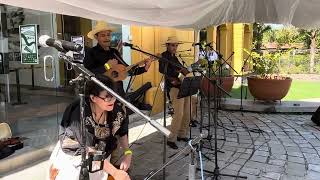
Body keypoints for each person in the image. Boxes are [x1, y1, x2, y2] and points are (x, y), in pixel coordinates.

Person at [48, 76, 131, 180]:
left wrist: (128, 154)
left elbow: (122, 132)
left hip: (101, 155)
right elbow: (88, 149)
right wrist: (115, 172)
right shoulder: (80, 112)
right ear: (93, 98)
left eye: (114, 96)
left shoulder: (117, 110)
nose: (113, 100)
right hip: (76, 155)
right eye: (108, 97)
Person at [159, 36, 193, 149]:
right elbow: (162, 70)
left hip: (183, 86)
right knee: (178, 114)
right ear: (167, 46)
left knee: (188, 111)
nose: (175, 47)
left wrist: (187, 71)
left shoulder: (175, 57)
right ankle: (171, 139)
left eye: (176, 45)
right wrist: (174, 77)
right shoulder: (164, 56)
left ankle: (182, 135)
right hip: (173, 88)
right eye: (173, 45)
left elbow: (182, 69)